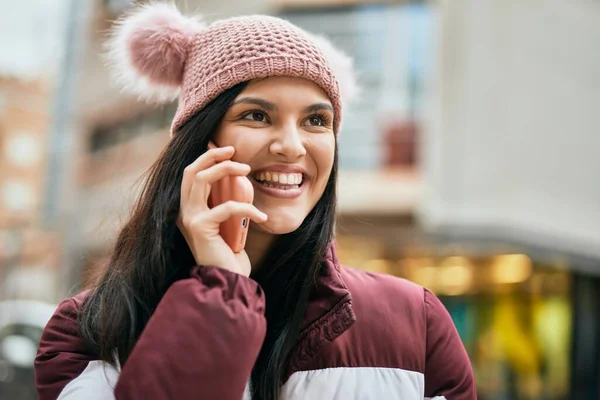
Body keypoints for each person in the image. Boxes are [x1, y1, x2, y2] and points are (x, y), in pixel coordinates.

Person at [34, 3, 476, 400]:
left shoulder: (416, 324)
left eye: (316, 120)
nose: (291, 145)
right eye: (257, 115)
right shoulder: (85, 331)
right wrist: (221, 289)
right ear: (199, 144)